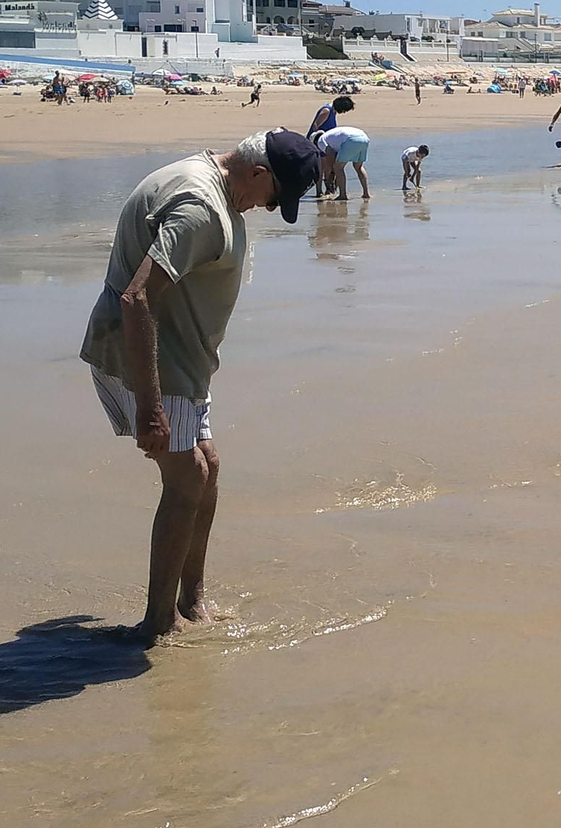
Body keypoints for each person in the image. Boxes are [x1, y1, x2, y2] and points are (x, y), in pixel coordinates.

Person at [80, 129, 319, 644]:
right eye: (277, 198)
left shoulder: (206, 175)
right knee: (187, 478)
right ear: (258, 173)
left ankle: (190, 599)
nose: (271, 209)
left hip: (183, 364)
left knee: (207, 468)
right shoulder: (203, 209)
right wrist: (149, 407)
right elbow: (136, 298)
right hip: (151, 365)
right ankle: (157, 624)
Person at [313, 125, 372, 200]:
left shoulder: (320, 141)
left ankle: (342, 195)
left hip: (351, 139)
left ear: (315, 141)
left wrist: (332, 172)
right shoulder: (330, 136)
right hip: (364, 137)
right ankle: (366, 193)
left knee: (338, 168)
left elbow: (330, 153)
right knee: (358, 167)